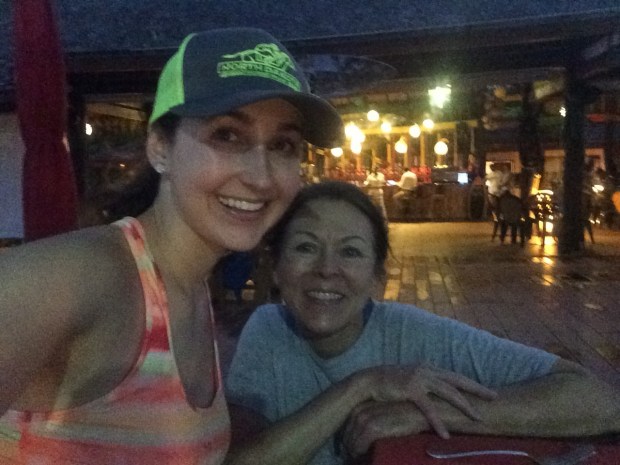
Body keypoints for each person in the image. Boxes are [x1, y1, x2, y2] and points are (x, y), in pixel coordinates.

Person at [0, 28, 342, 465]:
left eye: (283, 145)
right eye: (227, 135)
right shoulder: (79, 277)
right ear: (160, 147)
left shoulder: (192, 288)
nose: (261, 177)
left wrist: (361, 387)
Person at [224, 181, 620, 465]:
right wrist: (362, 385)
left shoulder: (413, 334)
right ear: (276, 269)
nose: (327, 269)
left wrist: (431, 413)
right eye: (306, 247)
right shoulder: (268, 330)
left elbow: (599, 402)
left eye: (351, 252)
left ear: (378, 279)